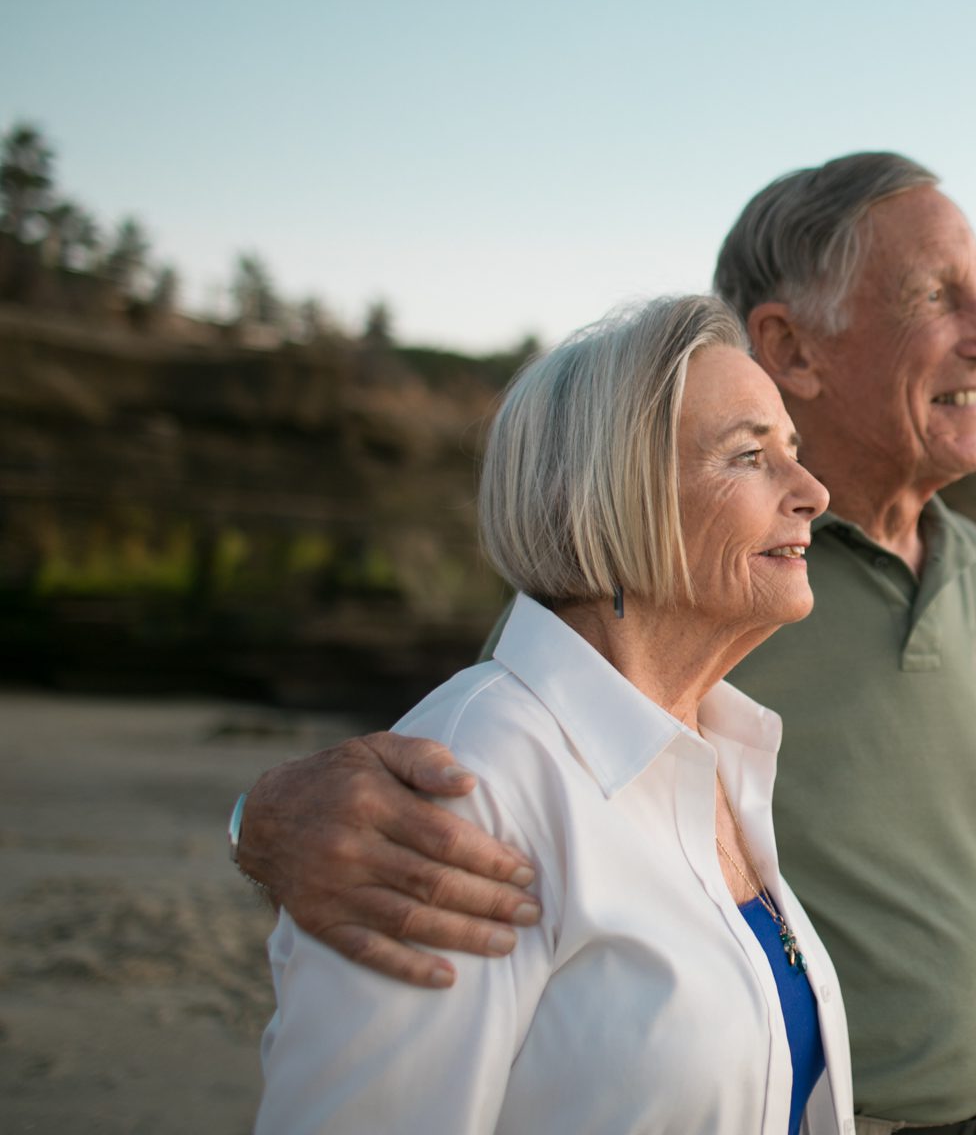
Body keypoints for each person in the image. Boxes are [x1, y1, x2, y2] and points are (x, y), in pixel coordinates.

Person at [235, 154, 976, 1135]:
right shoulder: (684, 601)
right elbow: (502, 741)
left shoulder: (969, 577)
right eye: (938, 295)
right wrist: (264, 815)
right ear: (789, 346)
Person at [253, 295, 854, 1135]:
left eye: (792, 451)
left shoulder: (715, 750)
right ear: (608, 498)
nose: (814, 492)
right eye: (750, 456)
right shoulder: (466, 784)